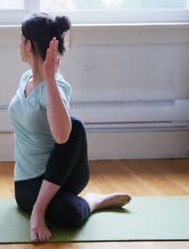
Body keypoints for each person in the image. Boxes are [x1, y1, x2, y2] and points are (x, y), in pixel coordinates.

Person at [8, 13, 132, 242]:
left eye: (20, 38)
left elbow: (63, 136)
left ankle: (47, 208)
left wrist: (51, 80)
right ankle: (92, 201)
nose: (17, 44)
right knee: (71, 212)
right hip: (26, 183)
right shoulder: (25, 79)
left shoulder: (56, 87)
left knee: (75, 126)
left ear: (28, 45)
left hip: (63, 175)